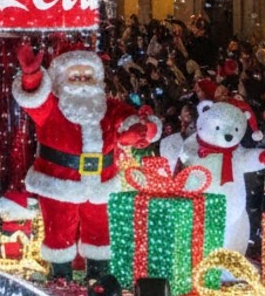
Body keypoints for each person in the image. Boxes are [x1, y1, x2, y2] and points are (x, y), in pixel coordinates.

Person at [11, 42, 161, 281]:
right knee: (59, 234)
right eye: (75, 75)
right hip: (59, 184)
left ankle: (99, 280)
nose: (82, 81)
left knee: (101, 234)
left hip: (101, 184)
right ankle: (61, 280)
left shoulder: (108, 107)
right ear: (61, 79)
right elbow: (33, 99)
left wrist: (139, 130)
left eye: (87, 75)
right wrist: (31, 76)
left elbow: (131, 121)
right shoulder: (50, 109)